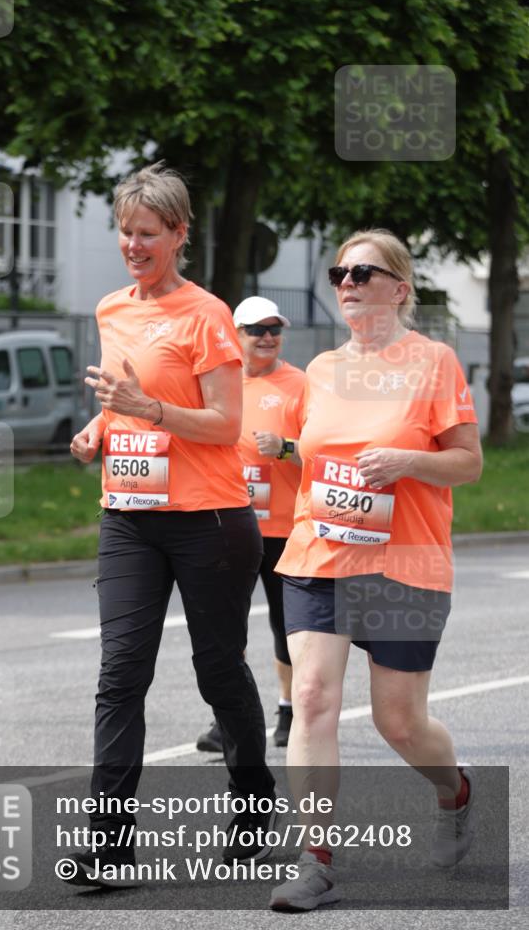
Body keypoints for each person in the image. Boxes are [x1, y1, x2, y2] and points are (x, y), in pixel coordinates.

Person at [68, 162, 275, 886]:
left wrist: (145, 409)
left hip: (209, 521)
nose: (133, 245)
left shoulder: (207, 314)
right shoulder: (111, 310)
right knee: (119, 674)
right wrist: (101, 423)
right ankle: (108, 845)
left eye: (147, 234)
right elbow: (128, 395)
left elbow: (224, 424)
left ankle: (254, 809)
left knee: (217, 670)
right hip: (128, 515)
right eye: (125, 232)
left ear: (178, 235)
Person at [268, 229, 482, 913]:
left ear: (399, 287)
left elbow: (468, 462)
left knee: (399, 723)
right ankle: (314, 859)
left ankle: (453, 791)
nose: (348, 283)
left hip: (405, 563)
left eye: (364, 272)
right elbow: (317, 455)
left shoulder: (433, 361)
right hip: (319, 556)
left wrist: (407, 461)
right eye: (339, 273)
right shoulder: (322, 369)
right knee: (311, 697)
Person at [196, 296, 304, 753]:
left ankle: (289, 710)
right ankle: (230, 719)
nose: (266, 337)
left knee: (286, 628)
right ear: (236, 335)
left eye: (274, 329)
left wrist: (283, 446)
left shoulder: (300, 384)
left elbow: (323, 451)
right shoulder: (219, 384)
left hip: (284, 528)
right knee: (227, 628)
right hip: (230, 524)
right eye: (256, 329)